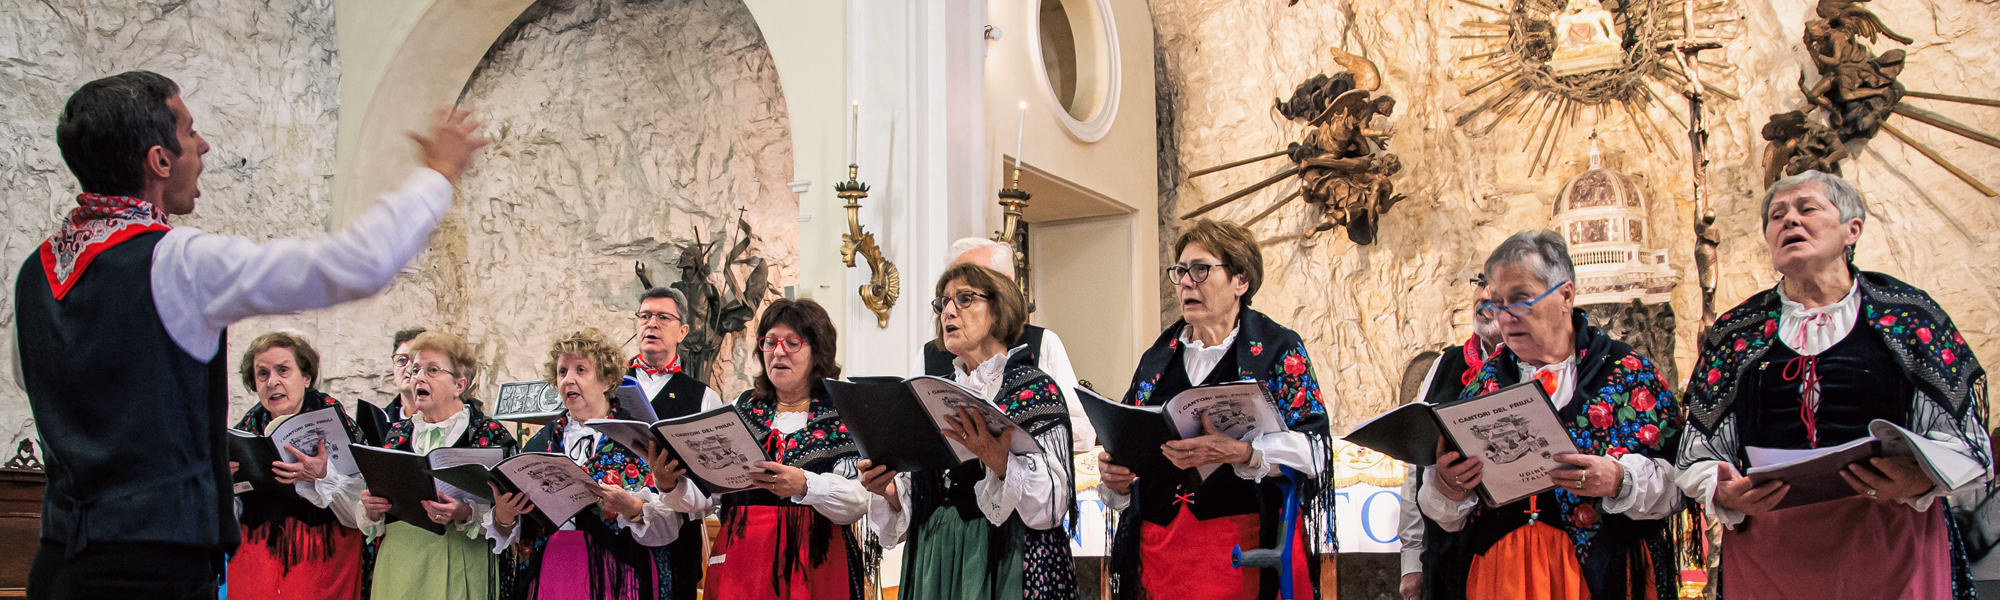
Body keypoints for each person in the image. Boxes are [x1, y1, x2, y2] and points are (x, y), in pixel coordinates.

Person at [13, 70, 485, 600]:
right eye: (190, 131)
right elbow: (351, 266)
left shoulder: (35, 274)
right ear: (160, 160)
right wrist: (438, 174)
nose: (204, 144)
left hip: (61, 561)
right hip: (151, 569)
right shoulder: (175, 261)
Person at [1674, 170, 1992, 599]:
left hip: (1891, 541)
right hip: (1772, 551)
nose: (1789, 221)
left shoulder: (1909, 316)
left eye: (1807, 209)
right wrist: (1725, 492)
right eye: (1776, 216)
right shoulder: (1736, 332)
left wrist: (1920, 479)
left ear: (1851, 229)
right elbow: (1697, 455)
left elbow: (1968, 444)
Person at [1420, 230, 1682, 600]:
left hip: (1600, 572)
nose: (1506, 317)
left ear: (1566, 295)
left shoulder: (1628, 375)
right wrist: (1449, 487)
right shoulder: (1481, 386)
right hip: (1502, 576)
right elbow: (1445, 512)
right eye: (1497, 302)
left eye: (1521, 299)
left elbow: (1678, 486)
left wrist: (1620, 481)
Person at [1096, 218, 1333, 600]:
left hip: (1242, 547)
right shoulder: (1157, 359)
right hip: (1160, 551)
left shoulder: (1276, 349)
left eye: (1201, 270)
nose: (1187, 282)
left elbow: (1316, 450)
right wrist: (1116, 476)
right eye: (1181, 272)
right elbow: (1127, 440)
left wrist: (1245, 453)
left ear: (1241, 281)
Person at [860, 263, 1079, 599]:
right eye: (943, 302)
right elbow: (919, 486)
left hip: (1006, 554)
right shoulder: (933, 391)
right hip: (936, 551)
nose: (949, 310)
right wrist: (889, 490)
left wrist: (999, 460)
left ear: (998, 308)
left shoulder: (1033, 389)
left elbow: (1053, 505)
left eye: (964, 299)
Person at [648, 299, 869, 599]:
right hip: (744, 563)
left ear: (817, 352)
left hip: (817, 562)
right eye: (770, 342)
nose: (778, 351)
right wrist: (669, 485)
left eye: (792, 343)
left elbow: (859, 501)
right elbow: (709, 498)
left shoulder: (842, 415)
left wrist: (805, 485)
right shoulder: (740, 411)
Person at [490, 329, 682, 600]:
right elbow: (520, 529)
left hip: (620, 574)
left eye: (581, 369)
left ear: (606, 381)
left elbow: (671, 520)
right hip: (554, 572)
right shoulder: (538, 445)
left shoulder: (637, 438)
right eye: (562, 372)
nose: (569, 379)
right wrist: (504, 518)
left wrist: (634, 508)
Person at [350, 331, 518, 600]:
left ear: (459, 385)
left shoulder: (490, 434)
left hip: (463, 560)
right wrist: (372, 510)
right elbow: (375, 509)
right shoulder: (395, 435)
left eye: (432, 370)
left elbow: (511, 516)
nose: (418, 377)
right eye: (416, 369)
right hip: (402, 564)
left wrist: (466, 512)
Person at [226, 331, 372, 600]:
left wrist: (324, 475)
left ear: (306, 377)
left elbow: (365, 513)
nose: (272, 382)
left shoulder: (338, 426)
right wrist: (224, 486)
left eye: (283, 370)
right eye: (262, 374)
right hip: (257, 567)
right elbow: (228, 520)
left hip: (323, 563)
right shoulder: (243, 432)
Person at [927, 237, 1096, 453]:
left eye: (965, 296)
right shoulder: (929, 354)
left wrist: (1014, 437)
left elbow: (1082, 433)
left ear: (1002, 293)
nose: (950, 310)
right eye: (947, 298)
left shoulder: (1042, 345)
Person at [1399, 276, 1502, 600]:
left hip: (1506, 548)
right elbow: (1419, 468)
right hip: (1447, 554)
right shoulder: (1445, 364)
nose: (1484, 295)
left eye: (1498, 286)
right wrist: (1411, 560)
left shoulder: (1530, 366)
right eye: (1481, 283)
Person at [624, 286, 724, 600]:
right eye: (645, 316)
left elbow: (714, 489)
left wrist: (673, 486)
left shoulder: (704, 397)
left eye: (663, 317)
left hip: (678, 539)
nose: (651, 324)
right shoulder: (607, 387)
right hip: (613, 535)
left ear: (682, 331)